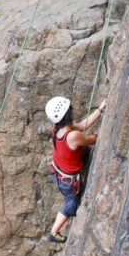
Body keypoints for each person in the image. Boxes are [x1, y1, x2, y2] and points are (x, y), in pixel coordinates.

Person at [45, 96, 107, 243]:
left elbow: (83, 125)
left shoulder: (59, 129)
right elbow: (91, 139)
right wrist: (99, 135)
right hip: (66, 180)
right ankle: (54, 232)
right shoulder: (72, 136)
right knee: (71, 201)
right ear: (67, 113)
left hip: (58, 171)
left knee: (82, 150)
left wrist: (100, 110)